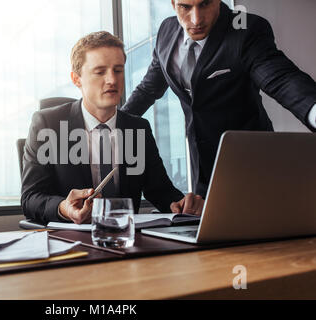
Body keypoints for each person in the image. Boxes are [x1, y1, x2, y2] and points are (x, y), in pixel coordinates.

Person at [122, 0, 316, 197]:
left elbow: (281, 79)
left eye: (205, 4)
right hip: (203, 174)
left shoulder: (245, 29)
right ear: (173, 3)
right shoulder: (166, 30)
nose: (196, 19)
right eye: (185, 7)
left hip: (254, 168)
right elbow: (148, 89)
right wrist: (112, 125)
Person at [21, 31, 204, 225]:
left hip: (126, 241)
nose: (112, 80)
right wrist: (63, 208)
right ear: (76, 79)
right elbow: (31, 198)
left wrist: (182, 204)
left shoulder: (138, 129)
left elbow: (160, 191)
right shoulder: (48, 124)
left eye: (118, 70)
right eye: (100, 72)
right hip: (69, 240)